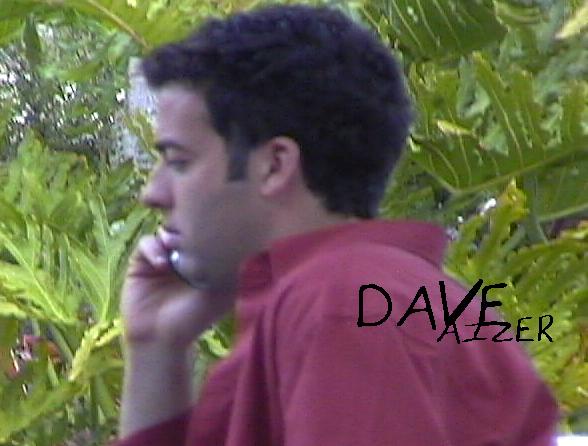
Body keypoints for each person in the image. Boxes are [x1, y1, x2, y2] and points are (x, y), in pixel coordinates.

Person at [112, 4, 559, 446]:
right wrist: (156, 345)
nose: (154, 193)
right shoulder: (361, 295)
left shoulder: (342, 307)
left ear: (274, 165)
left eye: (180, 161)